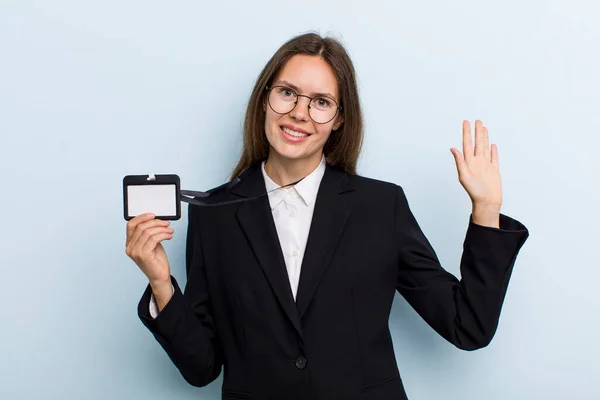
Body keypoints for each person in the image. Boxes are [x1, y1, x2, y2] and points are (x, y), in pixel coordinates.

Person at [125, 32, 529, 400]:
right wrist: (161, 284)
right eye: (287, 93)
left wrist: (486, 210)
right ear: (265, 100)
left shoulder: (379, 206)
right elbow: (202, 368)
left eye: (320, 102)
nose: (300, 113)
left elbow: (467, 324)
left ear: (339, 120)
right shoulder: (213, 215)